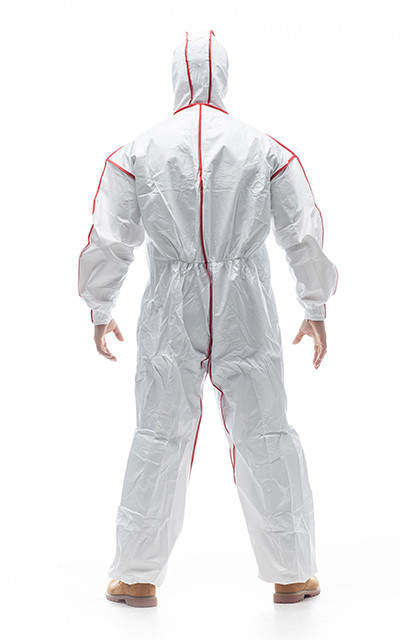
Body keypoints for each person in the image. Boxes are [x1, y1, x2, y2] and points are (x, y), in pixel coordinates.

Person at [78, 29, 339, 608]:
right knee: (264, 429)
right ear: (223, 75)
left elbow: (111, 235)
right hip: (246, 302)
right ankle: (292, 572)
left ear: (177, 75)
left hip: (170, 302)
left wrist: (101, 305)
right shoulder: (265, 149)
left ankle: (137, 577)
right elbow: (301, 229)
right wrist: (314, 304)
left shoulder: (138, 151)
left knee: (159, 431)